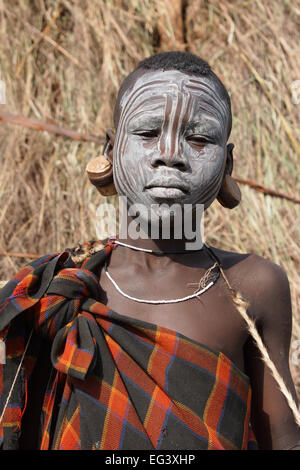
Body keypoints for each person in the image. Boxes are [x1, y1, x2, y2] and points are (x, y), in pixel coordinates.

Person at [0, 51, 299, 450]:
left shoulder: (253, 285)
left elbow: (284, 440)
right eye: (147, 132)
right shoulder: (59, 292)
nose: (170, 154)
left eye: (198, 138)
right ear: (110, 149)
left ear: (227, 164)